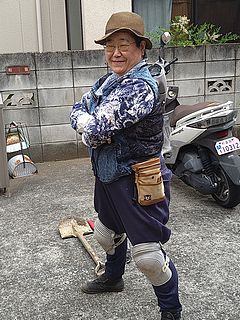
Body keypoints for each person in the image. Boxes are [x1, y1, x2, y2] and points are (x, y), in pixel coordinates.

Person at [70, 11, 182, 320]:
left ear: (141, 47)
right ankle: (113, 277)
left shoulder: (139, 87)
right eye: (110, 46)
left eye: (124, 44)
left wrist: (86, 126)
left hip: (139, 178)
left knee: (148, 256)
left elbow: (94, 131)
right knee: (106, 234)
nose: (115, 53)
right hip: (107, 176)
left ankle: (171, 309)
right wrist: (86, 122)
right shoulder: (109, 80)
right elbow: (77, 109)